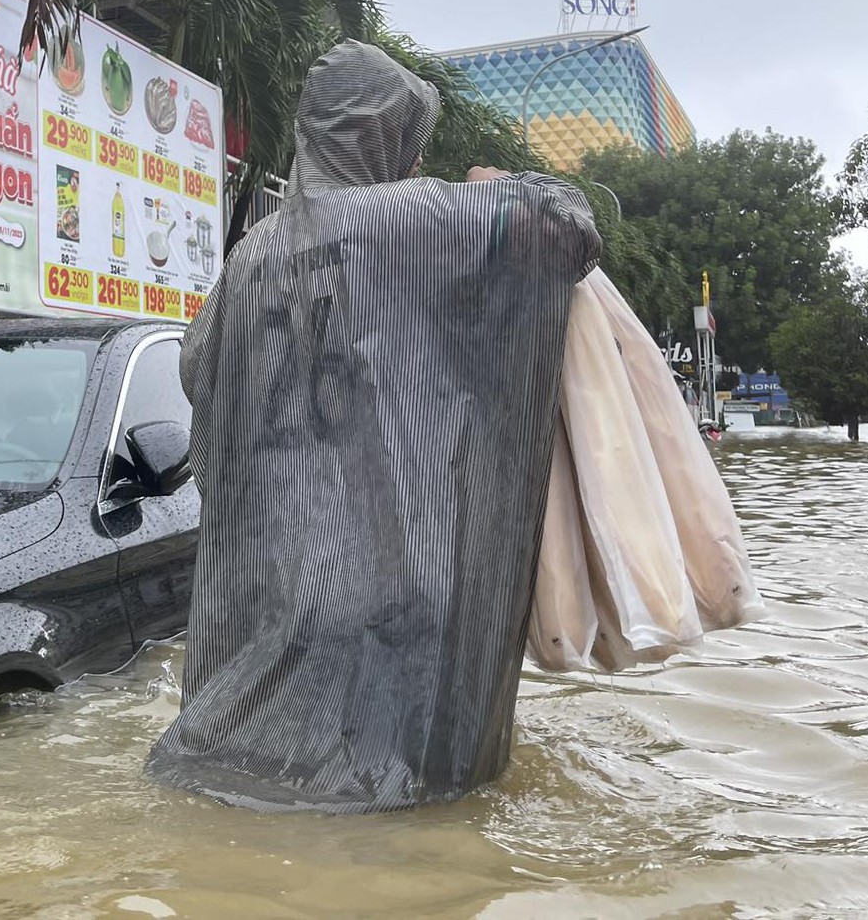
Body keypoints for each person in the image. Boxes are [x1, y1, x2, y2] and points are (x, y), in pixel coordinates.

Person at [147, 40, 601, 813]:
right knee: (402, 813)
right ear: (385, 139)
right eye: (412, 144)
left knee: (259, 797)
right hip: (396, 594)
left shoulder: (253, 257)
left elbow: (197, 370)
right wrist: (497, 187)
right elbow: (569, 228)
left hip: (271, 600)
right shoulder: (417, 218)